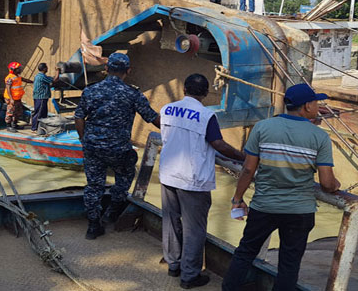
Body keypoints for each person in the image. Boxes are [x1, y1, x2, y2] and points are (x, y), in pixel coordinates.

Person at [222, 83, 341, 291]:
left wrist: (237, 198)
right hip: (299, 211)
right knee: (289, 264)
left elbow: (248, 170)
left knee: (245, 252)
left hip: (264, 206)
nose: (317, 105)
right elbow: (327, 183)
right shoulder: (319, 137)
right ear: (306, 106)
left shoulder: (262, 127)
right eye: (315, 102)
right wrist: (335, 185)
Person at [159, 73, 245, 289]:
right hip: (192, 180)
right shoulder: (206, 116)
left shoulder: (167, 109)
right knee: (194, 229)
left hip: (168, 174)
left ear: (184, 89)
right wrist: (244, 157)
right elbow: (219, 144)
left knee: (171, 221)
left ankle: (173, 265)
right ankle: (189, 277)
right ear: (206, 93)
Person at [74, 52, 161, 240]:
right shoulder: (133, 94)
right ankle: (112, 212)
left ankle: (93, 226)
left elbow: (78, 117)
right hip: (119, 148)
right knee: (126, 174)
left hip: (93, 146)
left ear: (106, 69)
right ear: (128, 71)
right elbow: (154, 119)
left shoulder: (91, 90)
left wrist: (84, 140)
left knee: (94, 185)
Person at [31, 63, 60, 135]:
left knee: (43, 113)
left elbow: (51, 79)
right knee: (38, 113)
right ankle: (34, 128)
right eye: (46, 67)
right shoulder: (41, 76)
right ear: (44, 69)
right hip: (40, 97)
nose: (47, 68)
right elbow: (55, 80)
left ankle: (41, 128)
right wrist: (58, 71)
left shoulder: (41, 76)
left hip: (42, 97)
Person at [4, 61, 33, 132]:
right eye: (18, 68)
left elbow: (24, 79)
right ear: (13, 70)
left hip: (17, 98)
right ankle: (8, 126)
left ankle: (14, 124)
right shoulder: (9, 78)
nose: (20, 69)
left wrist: (33, 81)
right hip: (11, 98)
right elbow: (8, 88)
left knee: (18, 111)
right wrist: (11, 99)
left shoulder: (17, 76)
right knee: (10, 112)